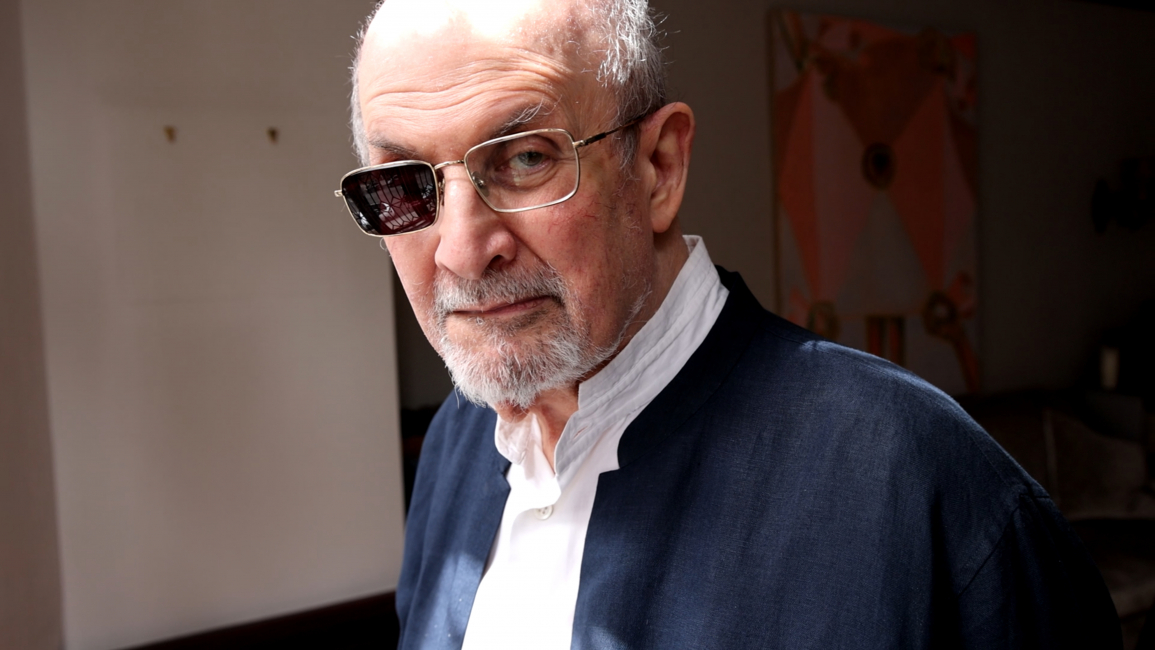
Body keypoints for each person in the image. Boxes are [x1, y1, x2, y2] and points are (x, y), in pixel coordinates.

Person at [335, 0, 1122, 647]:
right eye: (404, 183)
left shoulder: (911, 475)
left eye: (526, 158)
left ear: (658, 168)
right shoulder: (454, 444)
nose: (462, 251)